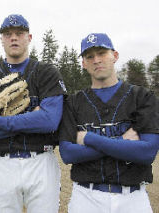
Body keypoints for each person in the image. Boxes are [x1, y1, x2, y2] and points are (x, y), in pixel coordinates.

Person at [0, 14, 67, 213]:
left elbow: (49, 121)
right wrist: (32, 120)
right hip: (1, 163)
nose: (13, 37)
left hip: (41, 161)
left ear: (29, 38)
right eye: (8, 34)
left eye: (19, 33)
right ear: (2, 39)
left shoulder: (46, 72)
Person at [59, 33, 159, 213]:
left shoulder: (143, 97)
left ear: (115, 56)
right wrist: (122, 142)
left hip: (133, 199)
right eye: (89, 56)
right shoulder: (73, 103)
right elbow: (68, 154)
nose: (96, 60)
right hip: (86, 197)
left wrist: (90, 138)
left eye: (102, 53)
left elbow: (147, 152)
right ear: (84, 63)